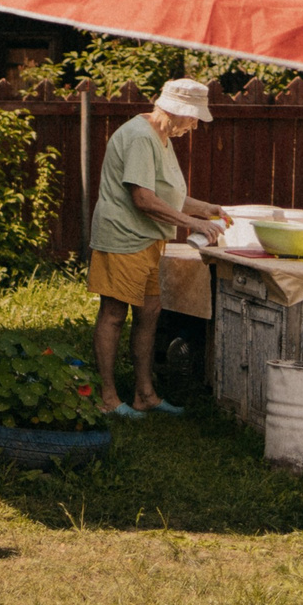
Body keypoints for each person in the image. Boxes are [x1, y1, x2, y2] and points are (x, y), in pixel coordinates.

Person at [88, 77, 226, 417]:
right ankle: (107, 398)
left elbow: (165, 193)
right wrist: (193, 223)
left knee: (149, 315)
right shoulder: (140, 137)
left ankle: (144, 394)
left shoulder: (161, 136)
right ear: (178, 111)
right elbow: (143, 199)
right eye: (193, 118)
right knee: (114, 315)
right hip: (122, 238)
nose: (194, 126)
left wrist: (206, 208)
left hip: (148, 239)